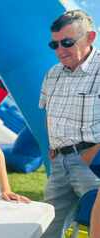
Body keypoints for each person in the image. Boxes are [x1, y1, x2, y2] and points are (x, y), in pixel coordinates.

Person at [39, 10, 100, 238]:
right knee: (47, 228)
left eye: (67, 42)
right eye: (54, 44)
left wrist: (93, 153)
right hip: (59, 164)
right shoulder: (52, 74)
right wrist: (54, 145)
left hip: (93, 165)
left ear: (90, 37)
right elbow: (48, 113)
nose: (60, 50)